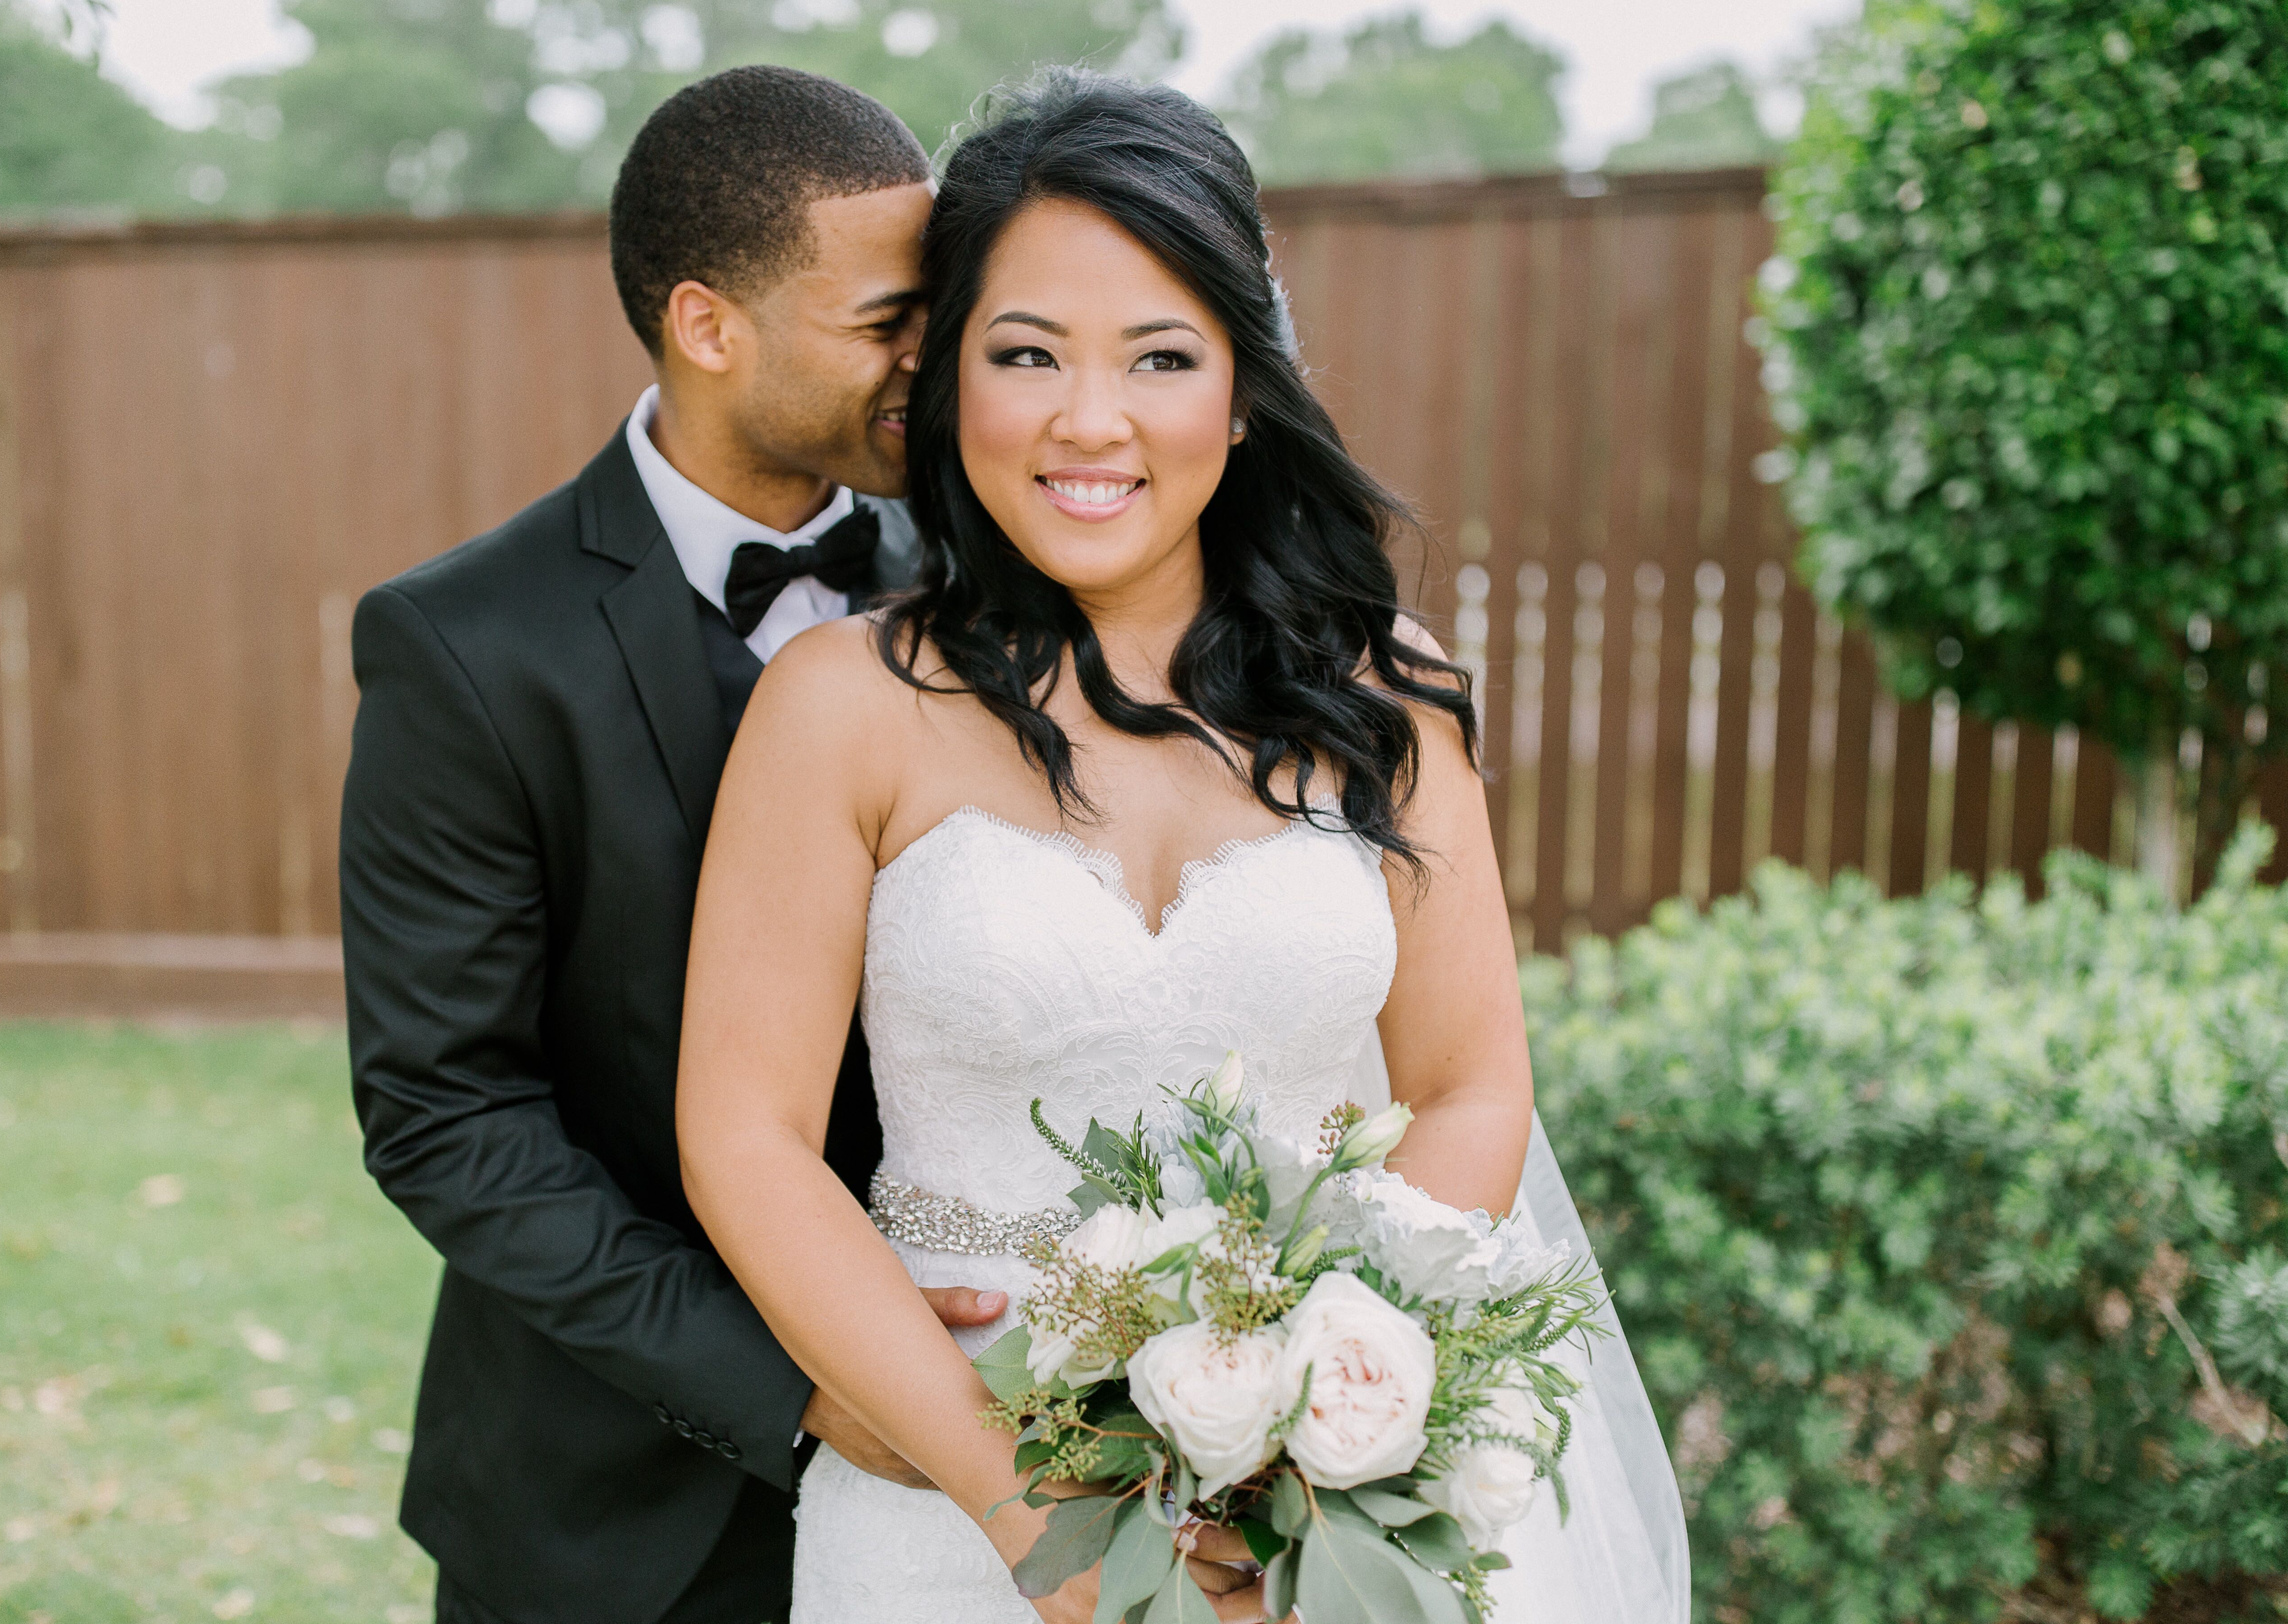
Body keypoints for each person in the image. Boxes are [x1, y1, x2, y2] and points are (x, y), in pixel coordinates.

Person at [676, 71, 1692, 1623]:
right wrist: (1036, 1526)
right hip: (948, 1499)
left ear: (1241, 385)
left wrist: (1310, 1438)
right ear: (952, 383)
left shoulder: (1386, 695)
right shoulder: (841, 706)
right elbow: (745, 1132)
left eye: (1161, 356)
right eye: (1028, 356)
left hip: (1306, 1523)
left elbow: (1471, 1082)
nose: (1093, 422)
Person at [340, 66, 1017, 1624]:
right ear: (709, 326)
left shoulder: (997, 591)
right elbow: (447, 1113)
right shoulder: (464, 647)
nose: (939, 360)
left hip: (994, 1470)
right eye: (886, 322)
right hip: (609, 1514)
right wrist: (797, 1383)